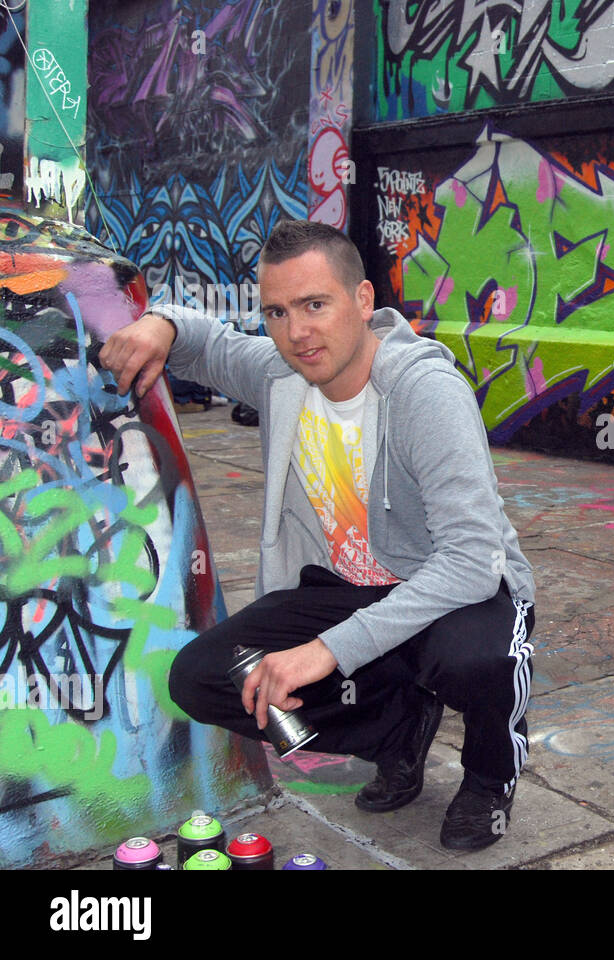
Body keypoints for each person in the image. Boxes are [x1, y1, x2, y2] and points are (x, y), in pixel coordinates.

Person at [101, 219, 536, 851]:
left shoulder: (425, 391)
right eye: (276, 312)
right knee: (201, 677)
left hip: (449, 591)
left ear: (363, 302)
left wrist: (327, 651)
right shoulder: (283, 377)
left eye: (314, 305)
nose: (296, 332)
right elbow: (204, 343)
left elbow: (471, 560)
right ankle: (398, 731)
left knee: (476, 656)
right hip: (346, 588)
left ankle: (491, 776)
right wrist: (159, 323)